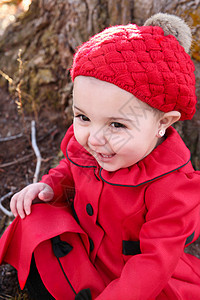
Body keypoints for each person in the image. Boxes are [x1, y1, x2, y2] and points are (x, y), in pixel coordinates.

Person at [0, 12, 200, 300]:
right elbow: (71, 168)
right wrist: (49, 186)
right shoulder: (95, 146)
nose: (94, 139)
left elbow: (155, 263)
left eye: (117, 124)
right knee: (34, 215)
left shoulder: (173, 188)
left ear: (163, 123)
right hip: (85, 252)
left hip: (133, 278)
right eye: (83, 117)